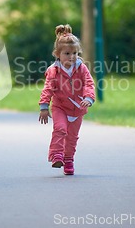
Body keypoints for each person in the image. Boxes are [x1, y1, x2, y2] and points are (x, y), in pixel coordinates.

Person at [39, 24, 96, 175]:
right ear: (57, 54)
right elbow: (48, 88)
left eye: (75, 53)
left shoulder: (82, 68)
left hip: (78, 108)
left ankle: (69, 159)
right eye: (67, 53)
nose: (71, 57)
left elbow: (89, 83)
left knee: (72, 137)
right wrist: (44, 106)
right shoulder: (54, 71)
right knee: (60, 129)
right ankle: (56, 155)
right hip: (60, 107)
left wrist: (89, 98)